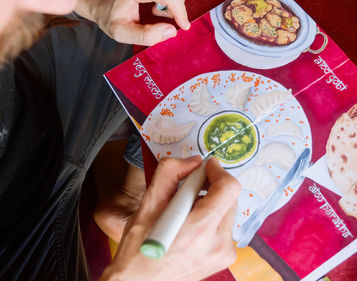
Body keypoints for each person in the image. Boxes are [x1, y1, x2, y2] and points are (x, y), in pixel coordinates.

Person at [0, 0, 241, 280]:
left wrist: (90, 5)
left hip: (28, 97)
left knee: (187, 25)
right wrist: (135, 276)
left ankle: (132, 198)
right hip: (21, 238)